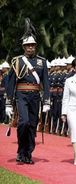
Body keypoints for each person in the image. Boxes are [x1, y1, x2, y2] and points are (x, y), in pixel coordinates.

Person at [5, 19, 50, 164]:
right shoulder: (17, 61)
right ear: (24, 47)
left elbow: (46, 83)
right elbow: (11, 83)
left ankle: (28, 153)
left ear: (35, 46)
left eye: (32, 45)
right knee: (23, 122)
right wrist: (8, 103)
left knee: (32, 125)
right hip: (21, 95)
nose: (30, 48)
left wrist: (47, 101)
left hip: (35, 96)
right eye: (28, 46)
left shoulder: (41, 62)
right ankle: (20, 150)